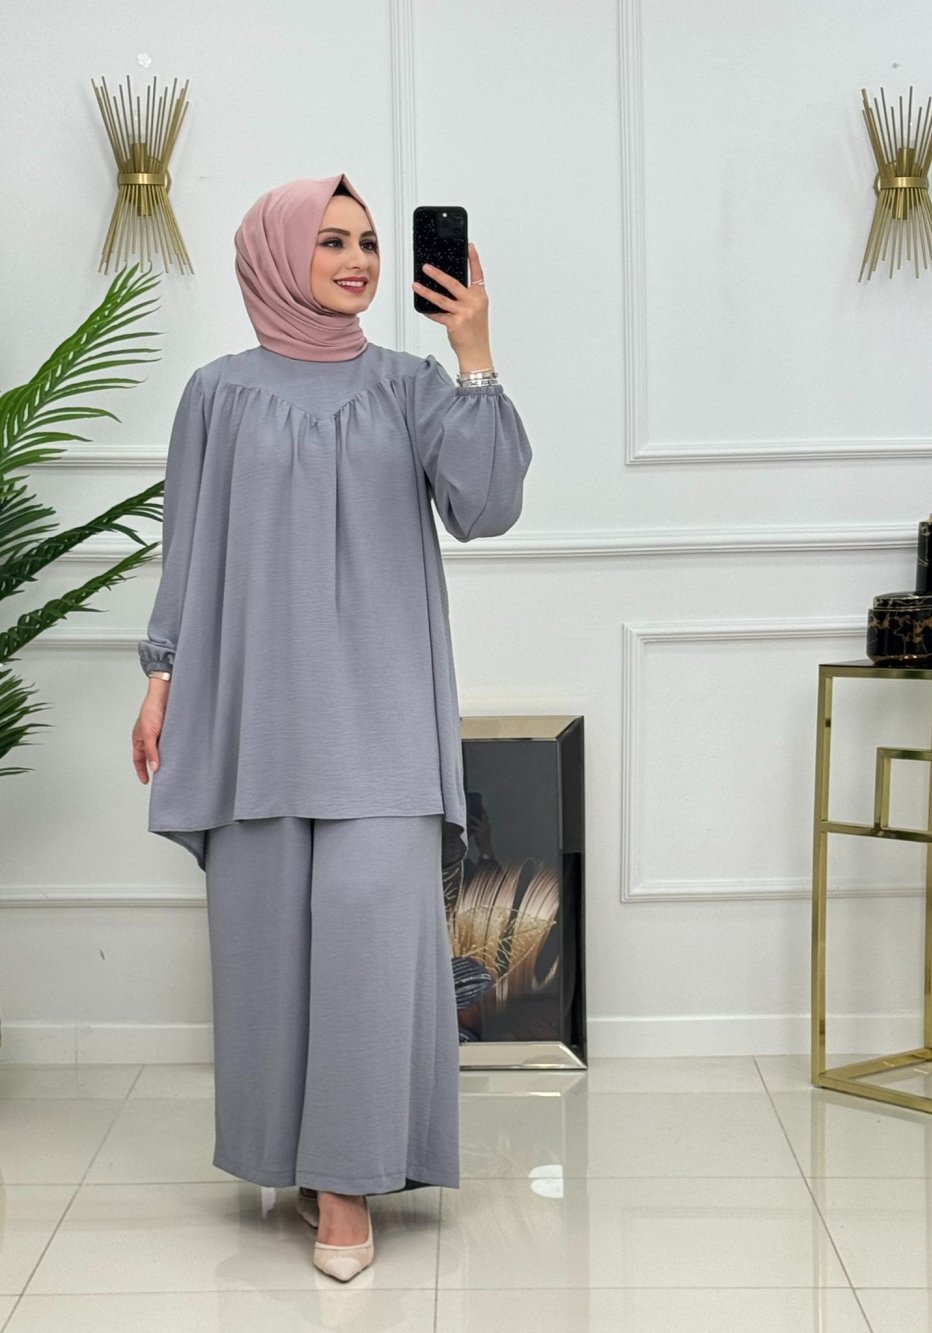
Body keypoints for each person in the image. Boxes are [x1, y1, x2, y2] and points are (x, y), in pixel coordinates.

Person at [129, 174, 532, 1282]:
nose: (356, 260)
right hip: (252, 711)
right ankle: (300, 1160)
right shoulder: (217, 393)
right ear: (276, 255)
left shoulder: (408, 385)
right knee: (265, 948)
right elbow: (187, 546)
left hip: (382, 714)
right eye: (331, 241)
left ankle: (348, 1186)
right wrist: (161, 677)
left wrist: (472, 350)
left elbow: (487, 507)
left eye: (368, 242)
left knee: (366, 938)